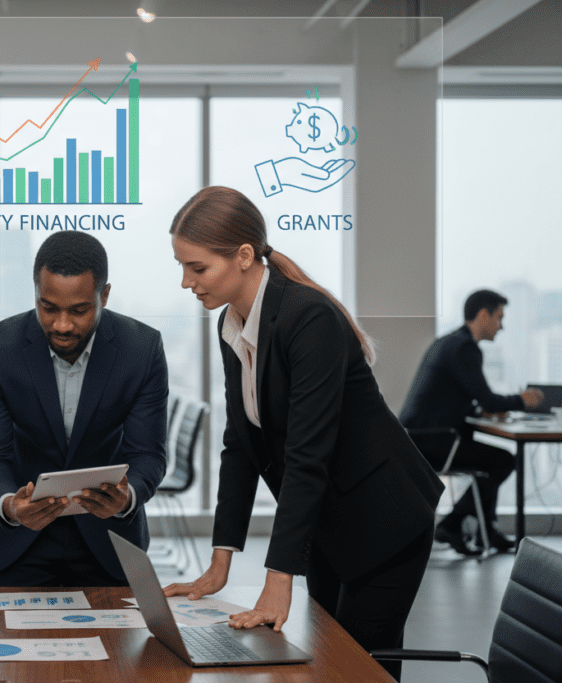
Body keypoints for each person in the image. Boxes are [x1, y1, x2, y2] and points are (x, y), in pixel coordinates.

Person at [162, 187, 444, 682]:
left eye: (197, 268)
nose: (186, 282)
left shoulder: (307, 317)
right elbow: (240, 446)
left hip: (385, 519)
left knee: (360, 668)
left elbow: (307, 454)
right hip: (331, 524)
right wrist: (219, 564)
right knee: (331, 663)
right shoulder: (234, 323)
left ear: (245, 256)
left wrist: (278, 579)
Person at [0, 231, 168, 587]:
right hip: (19, 544)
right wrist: (11, 506)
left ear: (104, 295)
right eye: (48, 307)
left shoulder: (141, 349)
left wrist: (125, 499)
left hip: (109, 544)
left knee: (116, 645)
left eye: (79, 310)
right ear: (35, 292)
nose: (62, 325)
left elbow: (148, 454)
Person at [400, 289, 544, 555]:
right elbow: (488, 399)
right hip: (435, 441)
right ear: (483, 315)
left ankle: (485, 532)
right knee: (503, 460)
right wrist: (522, 400)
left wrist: (481, 410)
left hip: (418, 438)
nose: (501, 326)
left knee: (491, 460)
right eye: (499, 317)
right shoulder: (465, 348)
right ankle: (453, 525)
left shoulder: (448, 342)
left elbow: (459, 398)